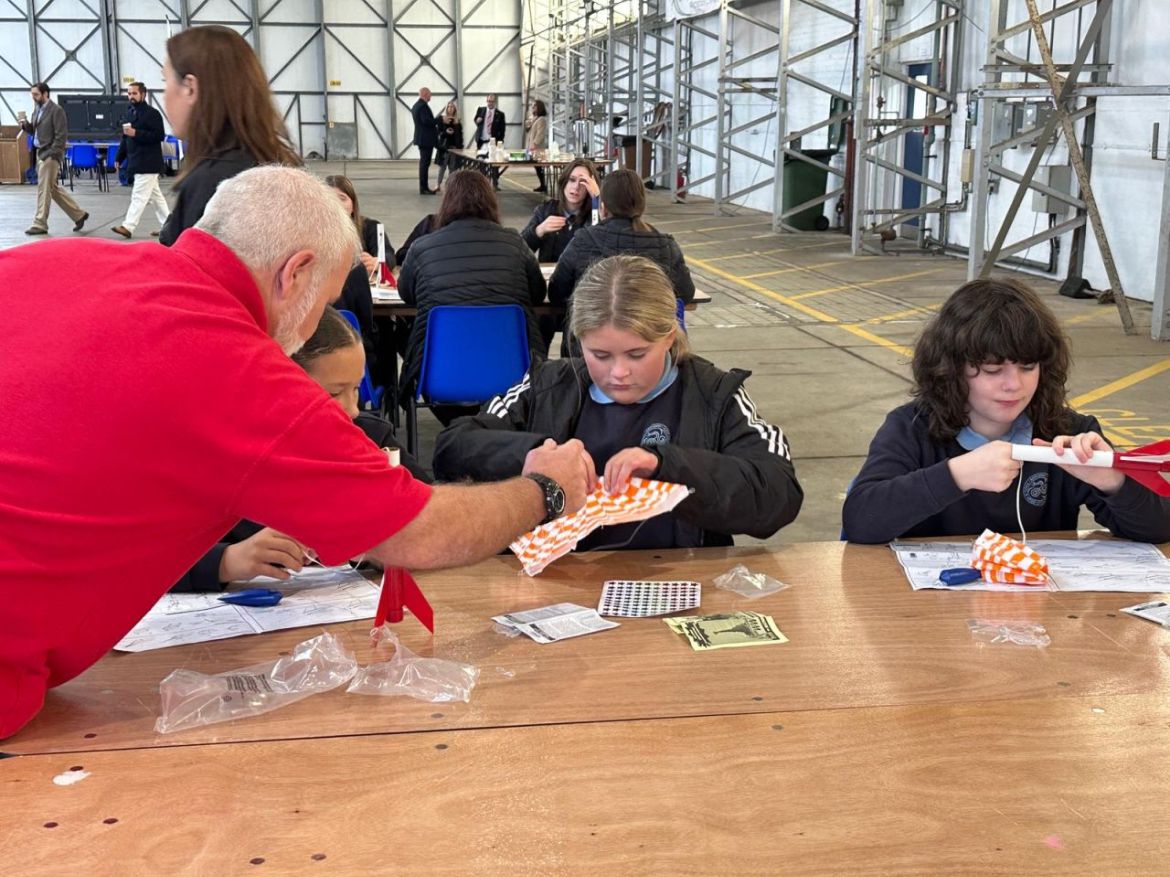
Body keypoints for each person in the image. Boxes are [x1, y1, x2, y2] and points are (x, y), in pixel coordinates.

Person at [0, 165, 595, 739]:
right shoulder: (235, 369)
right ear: (296, 273)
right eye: (326, 301)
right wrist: (545, 490)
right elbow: (417, 532)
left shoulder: (49, 260)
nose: (313, 327)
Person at [434, 255, 803, 550]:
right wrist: (533, 455)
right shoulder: (547, 385)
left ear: (669, 336)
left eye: (637, 354)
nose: (619, 373)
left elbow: (778, 493)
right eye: (600, 355)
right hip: (558, 581)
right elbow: (453, 447)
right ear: (578, 341)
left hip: (679, 580)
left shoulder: (715, 395)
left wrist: (667, 466)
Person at [841, 277, 1170, 544]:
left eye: (1028, 367)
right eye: (992, 369)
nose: (1014, 385)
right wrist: (957, 475)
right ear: (950, 369)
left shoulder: (1068, 433)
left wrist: (1112, 480)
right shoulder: (911, 428)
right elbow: (860, 521)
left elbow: (1160, 529)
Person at [174, 307, 428, 591]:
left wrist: (385, 547)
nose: (352, 409)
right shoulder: (219, 457)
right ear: (276, 386)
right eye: (333, 393)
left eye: (356, 389)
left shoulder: (370, 439)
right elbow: (145, 557)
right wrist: (228, 561)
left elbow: (434, 522)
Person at [397, 169, 546, 409]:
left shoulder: (421, 248)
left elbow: (406, 294)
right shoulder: (515, 243)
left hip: (441, 372)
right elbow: (537, 294)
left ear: (446, 203)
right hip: (513, 374)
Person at [157, 25, 301, 246]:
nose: (164, 95)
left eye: (165, 81)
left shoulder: (211, 183)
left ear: (190, 88)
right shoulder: (280, 163)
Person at [549, 169, 694, 353]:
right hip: (650, 349)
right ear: (641, 206)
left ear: (603, 207)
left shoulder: (583, 240)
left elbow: (557, 293)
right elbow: (685, 293)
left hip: (589, 351)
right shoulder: (666, 245)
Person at [324, 174, 393, 365]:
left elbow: (389, 255)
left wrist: (377, 262)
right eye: (330, 199)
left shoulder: (370, 227)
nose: (337, 205)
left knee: (386, 329)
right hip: (346, 319)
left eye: (342, 198)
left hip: (363, 304)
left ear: (353, 204)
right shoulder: (317, 238)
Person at [19, 82, 88, 236]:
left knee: (43, 189)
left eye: (36, 94)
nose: (33, 97)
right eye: (32, 94)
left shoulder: (56, 110)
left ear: (45, 94)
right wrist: (25, 125)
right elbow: (35, 131)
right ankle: (78, 215)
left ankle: (40, 223)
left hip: (49, 155)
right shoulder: (37, 110)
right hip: (40, 153)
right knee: (53, 189)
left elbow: (61, 136)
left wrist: (52, 153)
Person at [112, 81, 170, 239]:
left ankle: (128, 226)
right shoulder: (129, 113)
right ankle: (169, 227)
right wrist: (119, 157)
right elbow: (125, 137)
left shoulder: (153, 114)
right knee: (156, 198)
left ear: (143, 94)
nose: (131, 96)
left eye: (134, 93)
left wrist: (136, 133)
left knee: (139, 196)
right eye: (129, 93)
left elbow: (159, 136)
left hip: (149, 162)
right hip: (135, 160)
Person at [520, 158, 599, 264]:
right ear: (564, 182)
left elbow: (602, 245)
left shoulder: (595, 213)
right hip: (551, 273)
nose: (576, 187)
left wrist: (597, 198)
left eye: (583, 182)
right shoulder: (545, 210)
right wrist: (539, 231)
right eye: (572, 180)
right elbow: (519, 249)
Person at [411, 87, 437, 196]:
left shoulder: (416, 105)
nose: (431, 96)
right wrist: (439, 120)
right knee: (425, 164)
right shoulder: (423, 106)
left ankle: (424, 187)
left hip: (421, 138)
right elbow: (426, 121)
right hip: (425, 139)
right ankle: (424, 188)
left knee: (424, 163)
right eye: (430, 94)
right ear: (425, 94)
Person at [435, 100, 462, 190]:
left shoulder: (457, 120)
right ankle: (438, 184)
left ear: (455, 109)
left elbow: (459, 136)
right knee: (442, 167)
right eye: (449, 107)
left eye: (452, 107)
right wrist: (446, 132)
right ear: (446, 108)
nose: (450, 108)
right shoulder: (441, 119)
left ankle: (449, 186)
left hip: (454, 147)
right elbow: (438, 133)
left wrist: (456, 125)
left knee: (452, 168)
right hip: (444, 147)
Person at [525, 99, 549, 192]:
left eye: (535, 106)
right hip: (532, 147)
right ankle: (542, 185)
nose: (533, 107)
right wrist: (529, 122)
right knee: (537, 167)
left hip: (537, 148)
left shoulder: (541, 119)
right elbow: (527, 129)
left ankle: (543, 185)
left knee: (539, 167)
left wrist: (535, 144)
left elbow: (540, 134)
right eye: (532, 106)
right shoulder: (534, 118)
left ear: (539, 107)